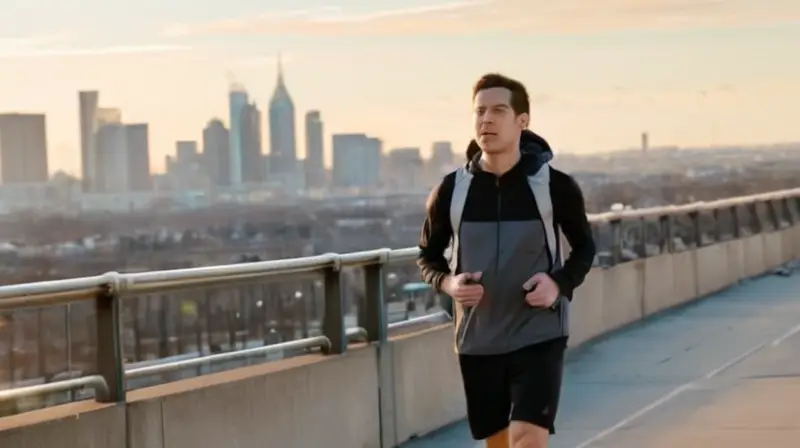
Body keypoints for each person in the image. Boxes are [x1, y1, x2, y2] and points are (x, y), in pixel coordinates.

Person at [417, 73, 596, 448]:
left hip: (540, 333)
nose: (486, 120)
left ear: (522, 121)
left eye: (499, 110)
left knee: (527, 438)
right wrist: (449, 284)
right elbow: (428, 257)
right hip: (478, 338)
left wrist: (558, 285)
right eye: (480, 111)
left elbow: (584, 250)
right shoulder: (450, 191)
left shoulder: (555, 186)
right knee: (499, 443)